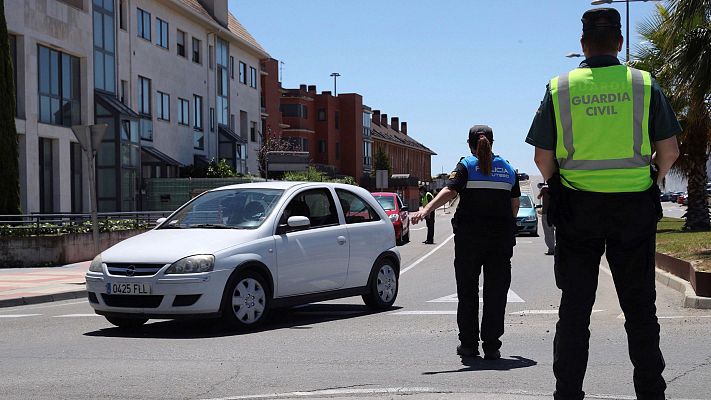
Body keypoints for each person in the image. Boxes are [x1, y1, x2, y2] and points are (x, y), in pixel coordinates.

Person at [525, 8, 681, 400]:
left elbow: (542, 158)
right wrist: (652, 180)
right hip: (633, 210)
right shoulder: (643, 84)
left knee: (574, 313)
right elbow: (670, 151)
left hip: (578, 210)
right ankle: (651, 393)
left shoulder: (560, 87)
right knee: (640, 311)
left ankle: (568, 394)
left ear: (582, 45)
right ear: (620, 43)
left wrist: (558, 183)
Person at [412, 125, 520, 360]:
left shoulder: (467, 166)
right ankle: (492, 346)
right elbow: (515, 205)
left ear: (470, 145)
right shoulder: (508, 168)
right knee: (496, 293)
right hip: (500, 242)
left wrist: (427, 208)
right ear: (492, 143)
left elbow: (450, 191)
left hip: (469, 242)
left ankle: (469, 344)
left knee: (468, 292)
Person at [536, 182, 555, 255]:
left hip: (546, 213)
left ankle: (551, 249)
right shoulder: (558, 189)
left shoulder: (544, 189)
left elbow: (538, 197)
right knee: (555, 231)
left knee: (548, 232)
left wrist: (541, 190)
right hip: (556, 213)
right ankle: (556, 248)